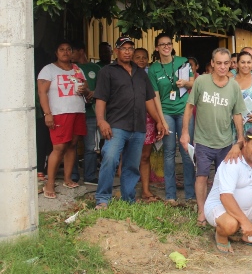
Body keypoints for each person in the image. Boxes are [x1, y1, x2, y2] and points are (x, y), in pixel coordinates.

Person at [94, 37, 167, 208]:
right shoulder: (107, 72)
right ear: (116, 51)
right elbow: (100, 99)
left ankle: (128, 199)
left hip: (138, 127)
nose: (127, 51)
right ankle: (103, 199)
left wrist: (158, 121)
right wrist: (101, 121)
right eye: (123, 48)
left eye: (130, 48)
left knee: (132, 165)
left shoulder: (140, 73)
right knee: (110, 159)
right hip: (116, 126)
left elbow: (149, 100)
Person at [180, 47, 246, 227]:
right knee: (201, 176)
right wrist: (185, 132)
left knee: (223, 179)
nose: (223, 67)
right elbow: (189, 106)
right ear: (212, 63)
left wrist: (240, 138)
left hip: (225, 142)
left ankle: (219, 211)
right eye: (219, 63)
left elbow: (237, 113)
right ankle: (201, 211)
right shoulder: (201, 81)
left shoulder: (234, 86)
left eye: (226, 63)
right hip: (203, 141)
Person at [204, 127, 252, 253]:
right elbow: (225, 196)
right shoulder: (232, 162)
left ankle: (249, 235)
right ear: (245, 143)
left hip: (246, 208)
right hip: (220, 206)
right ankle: (221, 235)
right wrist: (245, 221)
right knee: (231, 224)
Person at [147, 33, 195, 205]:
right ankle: (170, 195)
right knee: (168, 153)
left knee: (186, 151)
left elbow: (193, 83)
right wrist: (161, 120)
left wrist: (186, 84)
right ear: (157, 48)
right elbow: (156, 97)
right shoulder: (153, 69)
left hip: (184, 110)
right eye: (162, 44)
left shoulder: (182, 61)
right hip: (166, 111)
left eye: (168, 44)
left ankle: (190, 195)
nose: (166, 47)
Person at [37, 40, 89, 198]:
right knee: (59, 147)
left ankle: (67, 179)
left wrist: (84, 89)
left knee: (72, 145)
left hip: (77, 111)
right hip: (60, 113)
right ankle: (50, 184)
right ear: (56, 52)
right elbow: (42, 93)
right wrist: (47, 113)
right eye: (62, 49)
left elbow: (86, 86)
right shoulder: (48, 70)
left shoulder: (77, 69)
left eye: (68, 49)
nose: (66, 52)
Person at [132, 48, 162, 202]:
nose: (141, 60)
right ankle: (128, 191)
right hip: (129, 120)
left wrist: (158, 120)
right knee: (130, 156)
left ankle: (145, 190)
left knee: (145, 156)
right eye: (137, 57)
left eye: (144, 57)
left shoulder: (149, 75)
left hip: (148, 119)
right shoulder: (126, 73)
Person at [70, 40, 102, 185]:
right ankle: (73, 174)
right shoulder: (70, 69)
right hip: (74, 112)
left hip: (91, 112)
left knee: (91, 146)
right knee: (72, 144)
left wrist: (94, 92)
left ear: (81, 51)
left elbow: (105, 88)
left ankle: (89, 176)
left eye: (72, 51)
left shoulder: (95, 68)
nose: (69, 55)